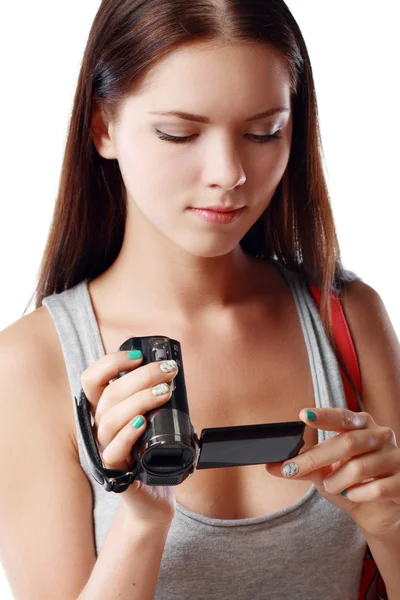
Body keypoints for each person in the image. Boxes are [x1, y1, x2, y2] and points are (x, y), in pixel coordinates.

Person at [0, 1, 399, 599]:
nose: (228, 172)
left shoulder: (348, 318)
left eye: (264, 132)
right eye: (179, 133)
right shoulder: (30, 363)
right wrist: (141, 519)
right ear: (103, 127)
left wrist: (391, 524)